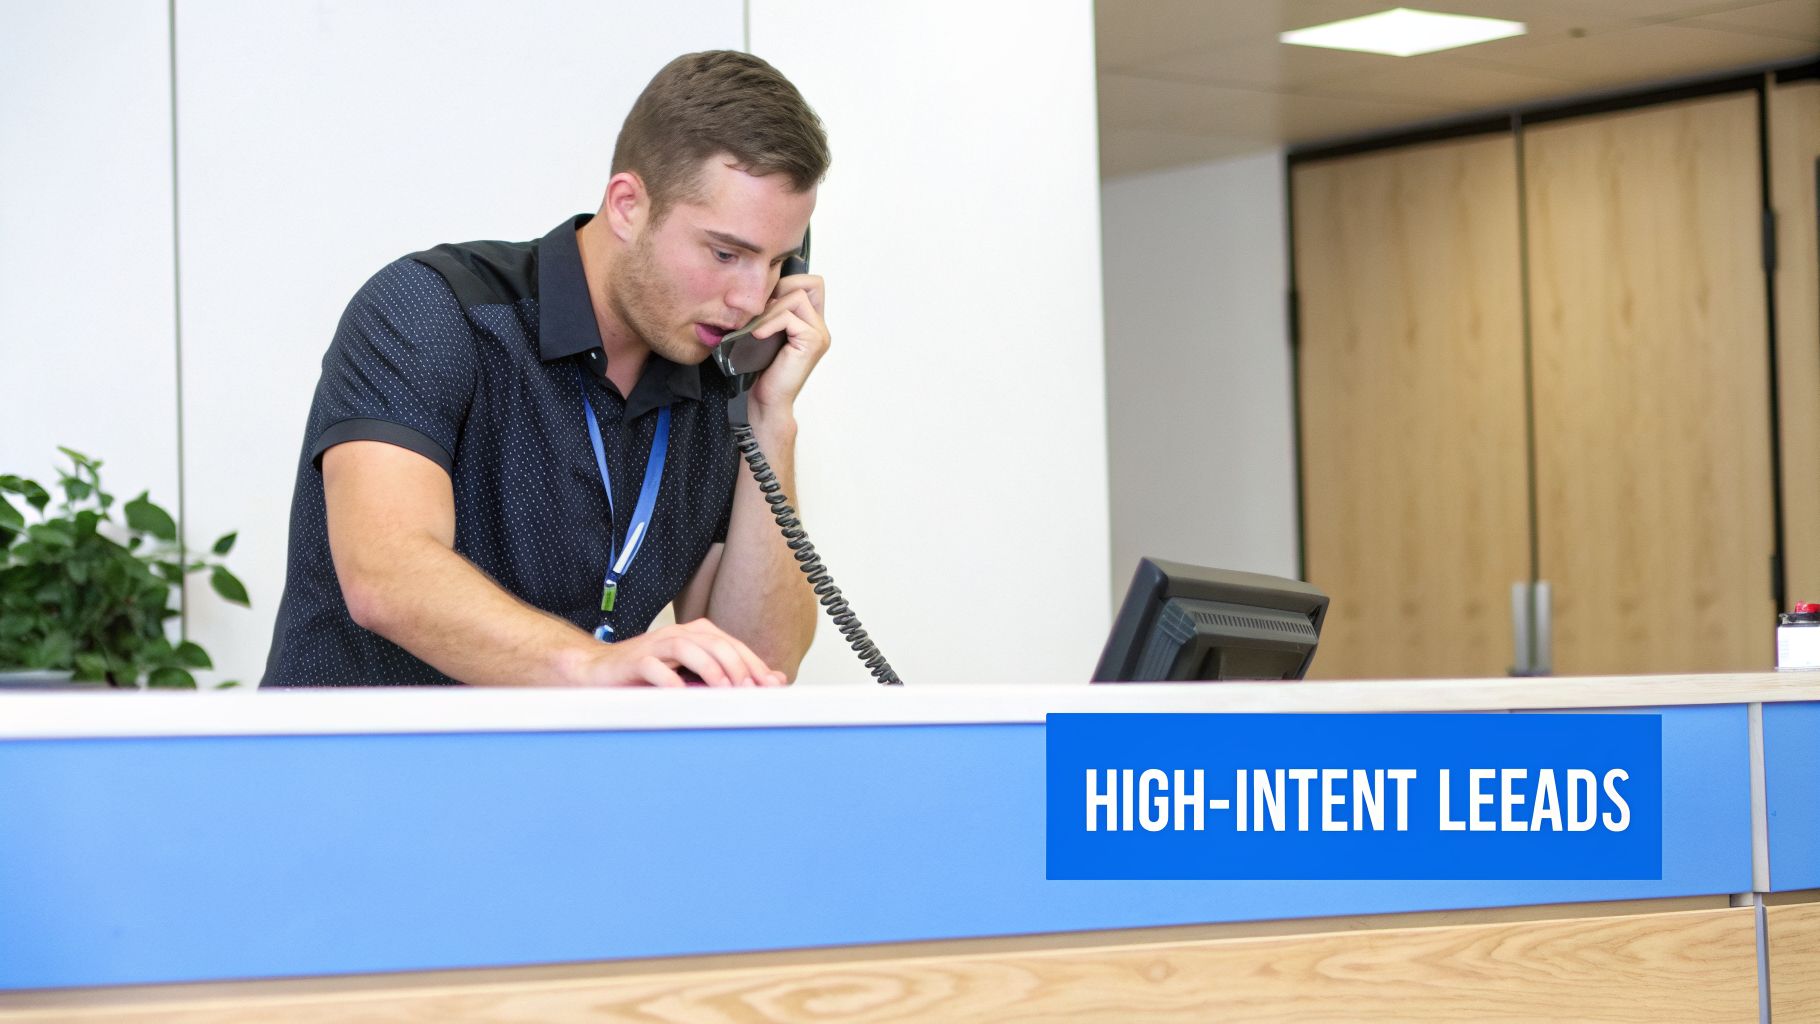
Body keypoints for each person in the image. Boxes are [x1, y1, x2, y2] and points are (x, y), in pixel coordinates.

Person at [260, 51, 828, 688]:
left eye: (778, 263)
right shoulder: (432, 310)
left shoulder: (715, 379)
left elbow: (759, 665)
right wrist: (592, 664)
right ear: (627, 205)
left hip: (559, 783)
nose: (753, 300)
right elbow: (385, 574)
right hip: (354, 773)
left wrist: (769, 416)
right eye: (727, 253)